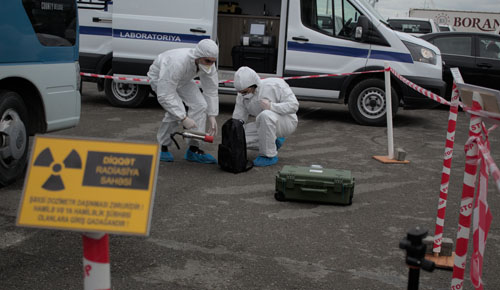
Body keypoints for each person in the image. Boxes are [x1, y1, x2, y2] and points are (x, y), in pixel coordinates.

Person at [148, 39, 219, 163]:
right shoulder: (177, 62)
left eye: (213, 62)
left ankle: (194, 149)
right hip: (161, 77)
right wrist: (183, 118)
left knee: (200, 105)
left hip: (183, 79)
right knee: (174, 112)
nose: (210, 65)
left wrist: (212, 115)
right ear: (198, 56)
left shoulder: (208, 64)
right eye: (207, 61)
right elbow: (165, 95)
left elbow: (211, 89)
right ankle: (162, 147)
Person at [232, 66, 299, 167]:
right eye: (241, 92)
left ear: (254, 84)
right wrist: (232, 130)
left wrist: (272, 106)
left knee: (265, 115)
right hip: (264, 125)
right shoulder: (241, 96)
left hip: (286, 122)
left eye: (245, 92)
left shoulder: (275, 85)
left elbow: (294, 105)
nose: (243, 95)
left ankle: (269, 155)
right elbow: (238, 118)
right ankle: (273, 142)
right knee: (237, 137)